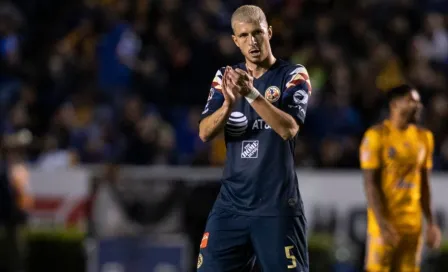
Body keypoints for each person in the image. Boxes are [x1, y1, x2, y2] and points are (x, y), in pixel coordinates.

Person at [197, 5, 311, 272]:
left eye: (257, 33)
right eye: (244, 35)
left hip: (276, 207)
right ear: (235, 41)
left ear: (269, 33)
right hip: (231, 206)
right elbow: (204, 133)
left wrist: (251, 94)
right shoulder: (225, 78)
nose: (252, 41)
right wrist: (227, 106)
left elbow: (289, 129)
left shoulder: (293, 75)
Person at [360, 84, 442, 272]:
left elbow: (425, 184)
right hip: (385, 224)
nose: (418, 106)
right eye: (412, 101)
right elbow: (370, 183)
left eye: (418, 102)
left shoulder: (424, 138)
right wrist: (381, 222)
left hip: (413, 226)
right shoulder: (376, 136)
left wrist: (431, 222)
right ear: (395, 104)